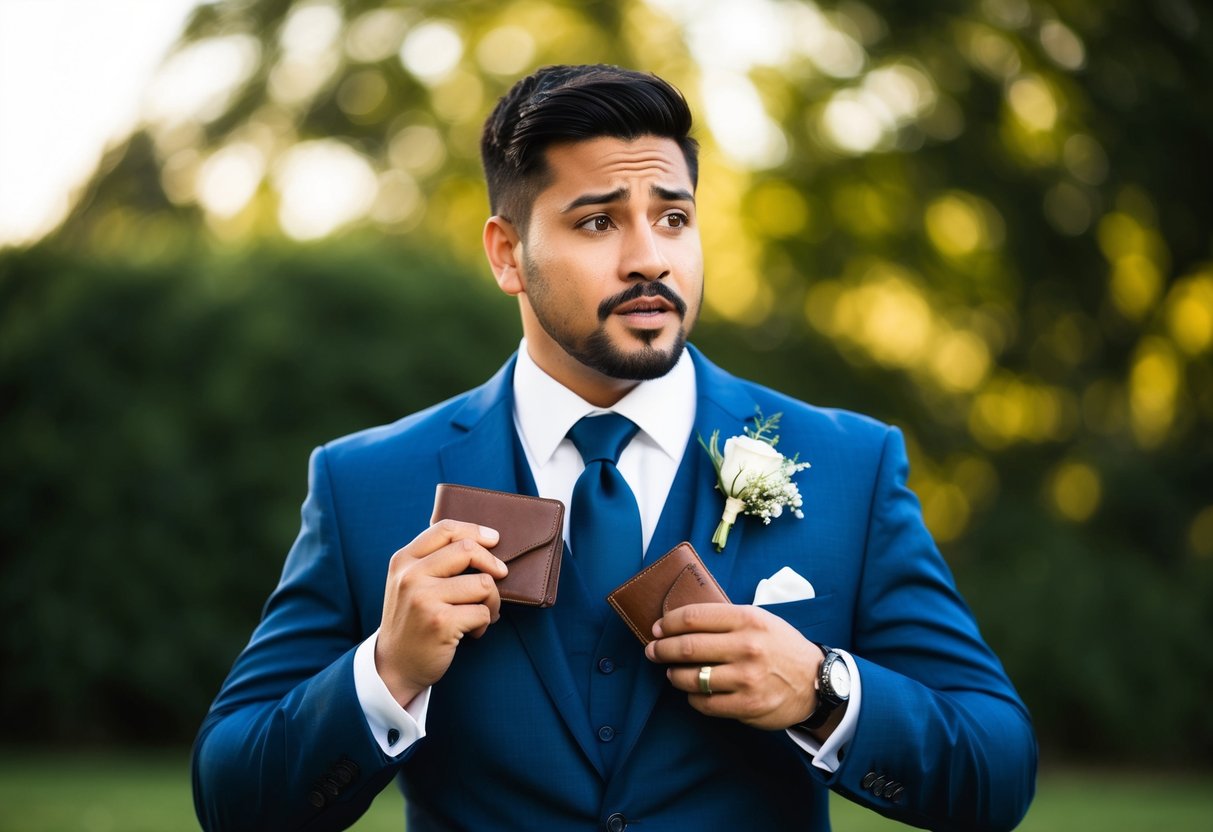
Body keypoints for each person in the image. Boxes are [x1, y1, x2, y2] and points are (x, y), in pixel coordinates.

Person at [193, 64, 1036, 832]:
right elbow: (234, 799)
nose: (649, 259)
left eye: (672, 217)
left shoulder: (850, 466)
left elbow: (995, 774)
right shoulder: (367, 484)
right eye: (597, 222)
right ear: (506, 254)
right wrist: (384, 671)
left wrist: (823, 691)